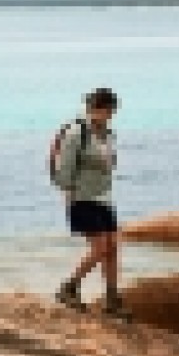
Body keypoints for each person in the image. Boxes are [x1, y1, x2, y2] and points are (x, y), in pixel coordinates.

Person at [51, 86, 124, 317]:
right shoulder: (76, 133)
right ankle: (69, 287)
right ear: (93, 108)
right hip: (82, 198)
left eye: (111, 111)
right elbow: (63, 171)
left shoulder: (108, 134)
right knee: (100, 248)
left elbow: (109, 163)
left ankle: (112, 299)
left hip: (103, 197)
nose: (109, 115)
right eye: (106, 110)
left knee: (112, 248)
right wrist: (69, 196)